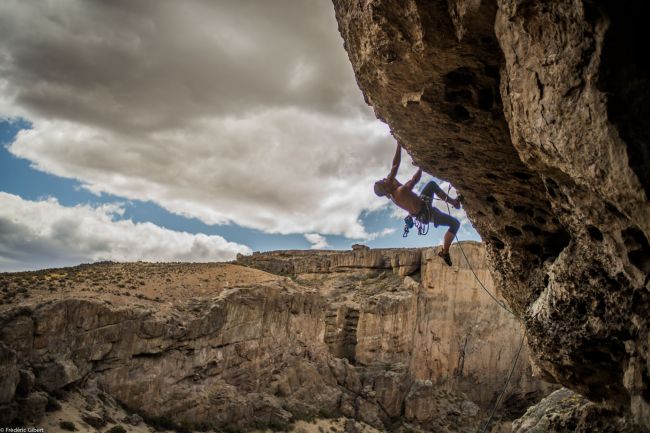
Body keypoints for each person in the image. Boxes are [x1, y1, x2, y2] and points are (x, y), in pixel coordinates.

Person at [374, 142, 461, 266]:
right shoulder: (400, 192)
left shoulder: (391, 190)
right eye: (383, 182)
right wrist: (420, 167)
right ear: (386, 188)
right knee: (455, 224)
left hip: (422, 204)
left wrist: (398, 145)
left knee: (432, 185)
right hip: (426, 214)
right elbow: (414, 180)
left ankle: (454, 202)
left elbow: (394, 166)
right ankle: (445, 252)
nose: (384, 179)